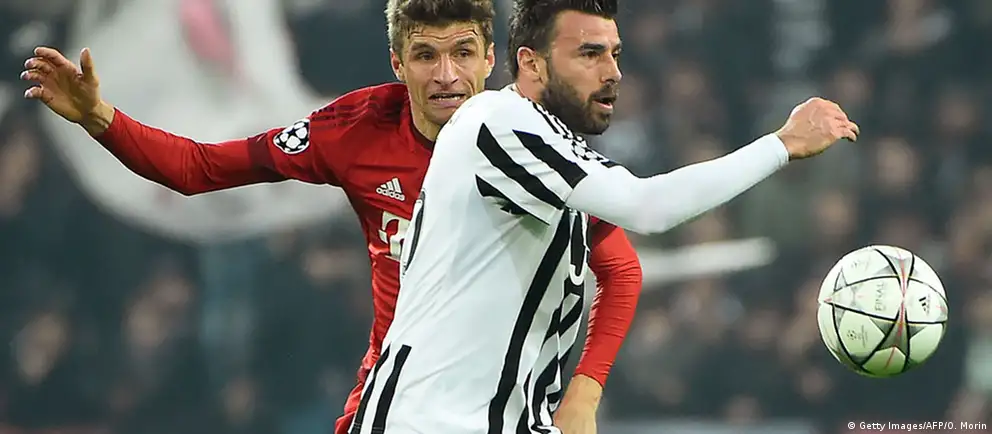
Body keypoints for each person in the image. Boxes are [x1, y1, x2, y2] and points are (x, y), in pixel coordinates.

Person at [19, 1, 643, 433]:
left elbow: (621, 270)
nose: (446, 76)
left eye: (462, 53)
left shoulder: (535, 147)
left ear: (488, 62)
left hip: (504, 412)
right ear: (397, 63)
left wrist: (585, 391)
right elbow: (198, 169)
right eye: (425, 56)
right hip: (394, 409)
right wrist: (101, 118)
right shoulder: (355, 130)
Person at [352, 0, 862, 433]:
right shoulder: (497, 122)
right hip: (425, 420)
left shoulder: (553, 154)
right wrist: (781, 144)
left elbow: (622, 269)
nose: (612, 72)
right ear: (531, 64)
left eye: (615, 54)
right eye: (589, 54)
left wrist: (586, 386)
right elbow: (649, 208)